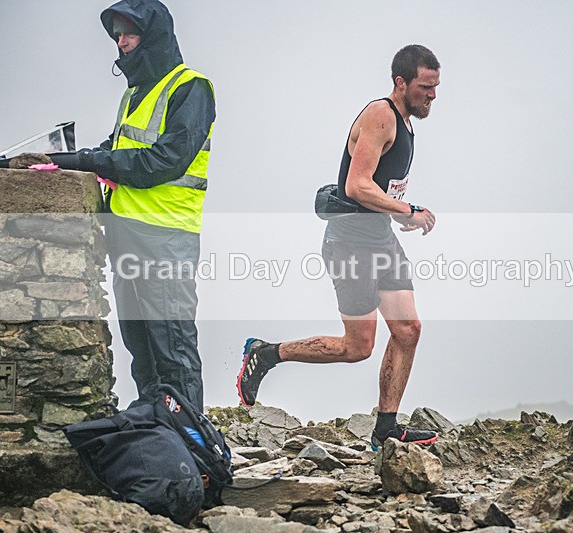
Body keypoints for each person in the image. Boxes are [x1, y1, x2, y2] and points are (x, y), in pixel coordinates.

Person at [237, 45, 440, 449]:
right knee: (357, 347)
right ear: (400, 82)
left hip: (380, 238)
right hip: (350, 243)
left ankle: (386, 429)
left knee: (408, 329)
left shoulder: (406, 123)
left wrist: (403, 215)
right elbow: (356, 186)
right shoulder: (380, 115)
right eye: (424, 87)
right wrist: (408, 208)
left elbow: (376, 192)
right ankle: (266, 353)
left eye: (436, 87)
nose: (432, 96)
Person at [45, 0, 216, 411]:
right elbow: (116, 149)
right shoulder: (135, 94)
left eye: (129, 34)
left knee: (172, 348)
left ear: (153, 35)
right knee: (142, 350)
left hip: (165, 238)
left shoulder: (191, 87)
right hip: (126, 233)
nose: (121, 43)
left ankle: (194, 452)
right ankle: (156, 441)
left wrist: (88, 160)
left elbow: (163, 161)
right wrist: (68, 162)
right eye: (117, 35)